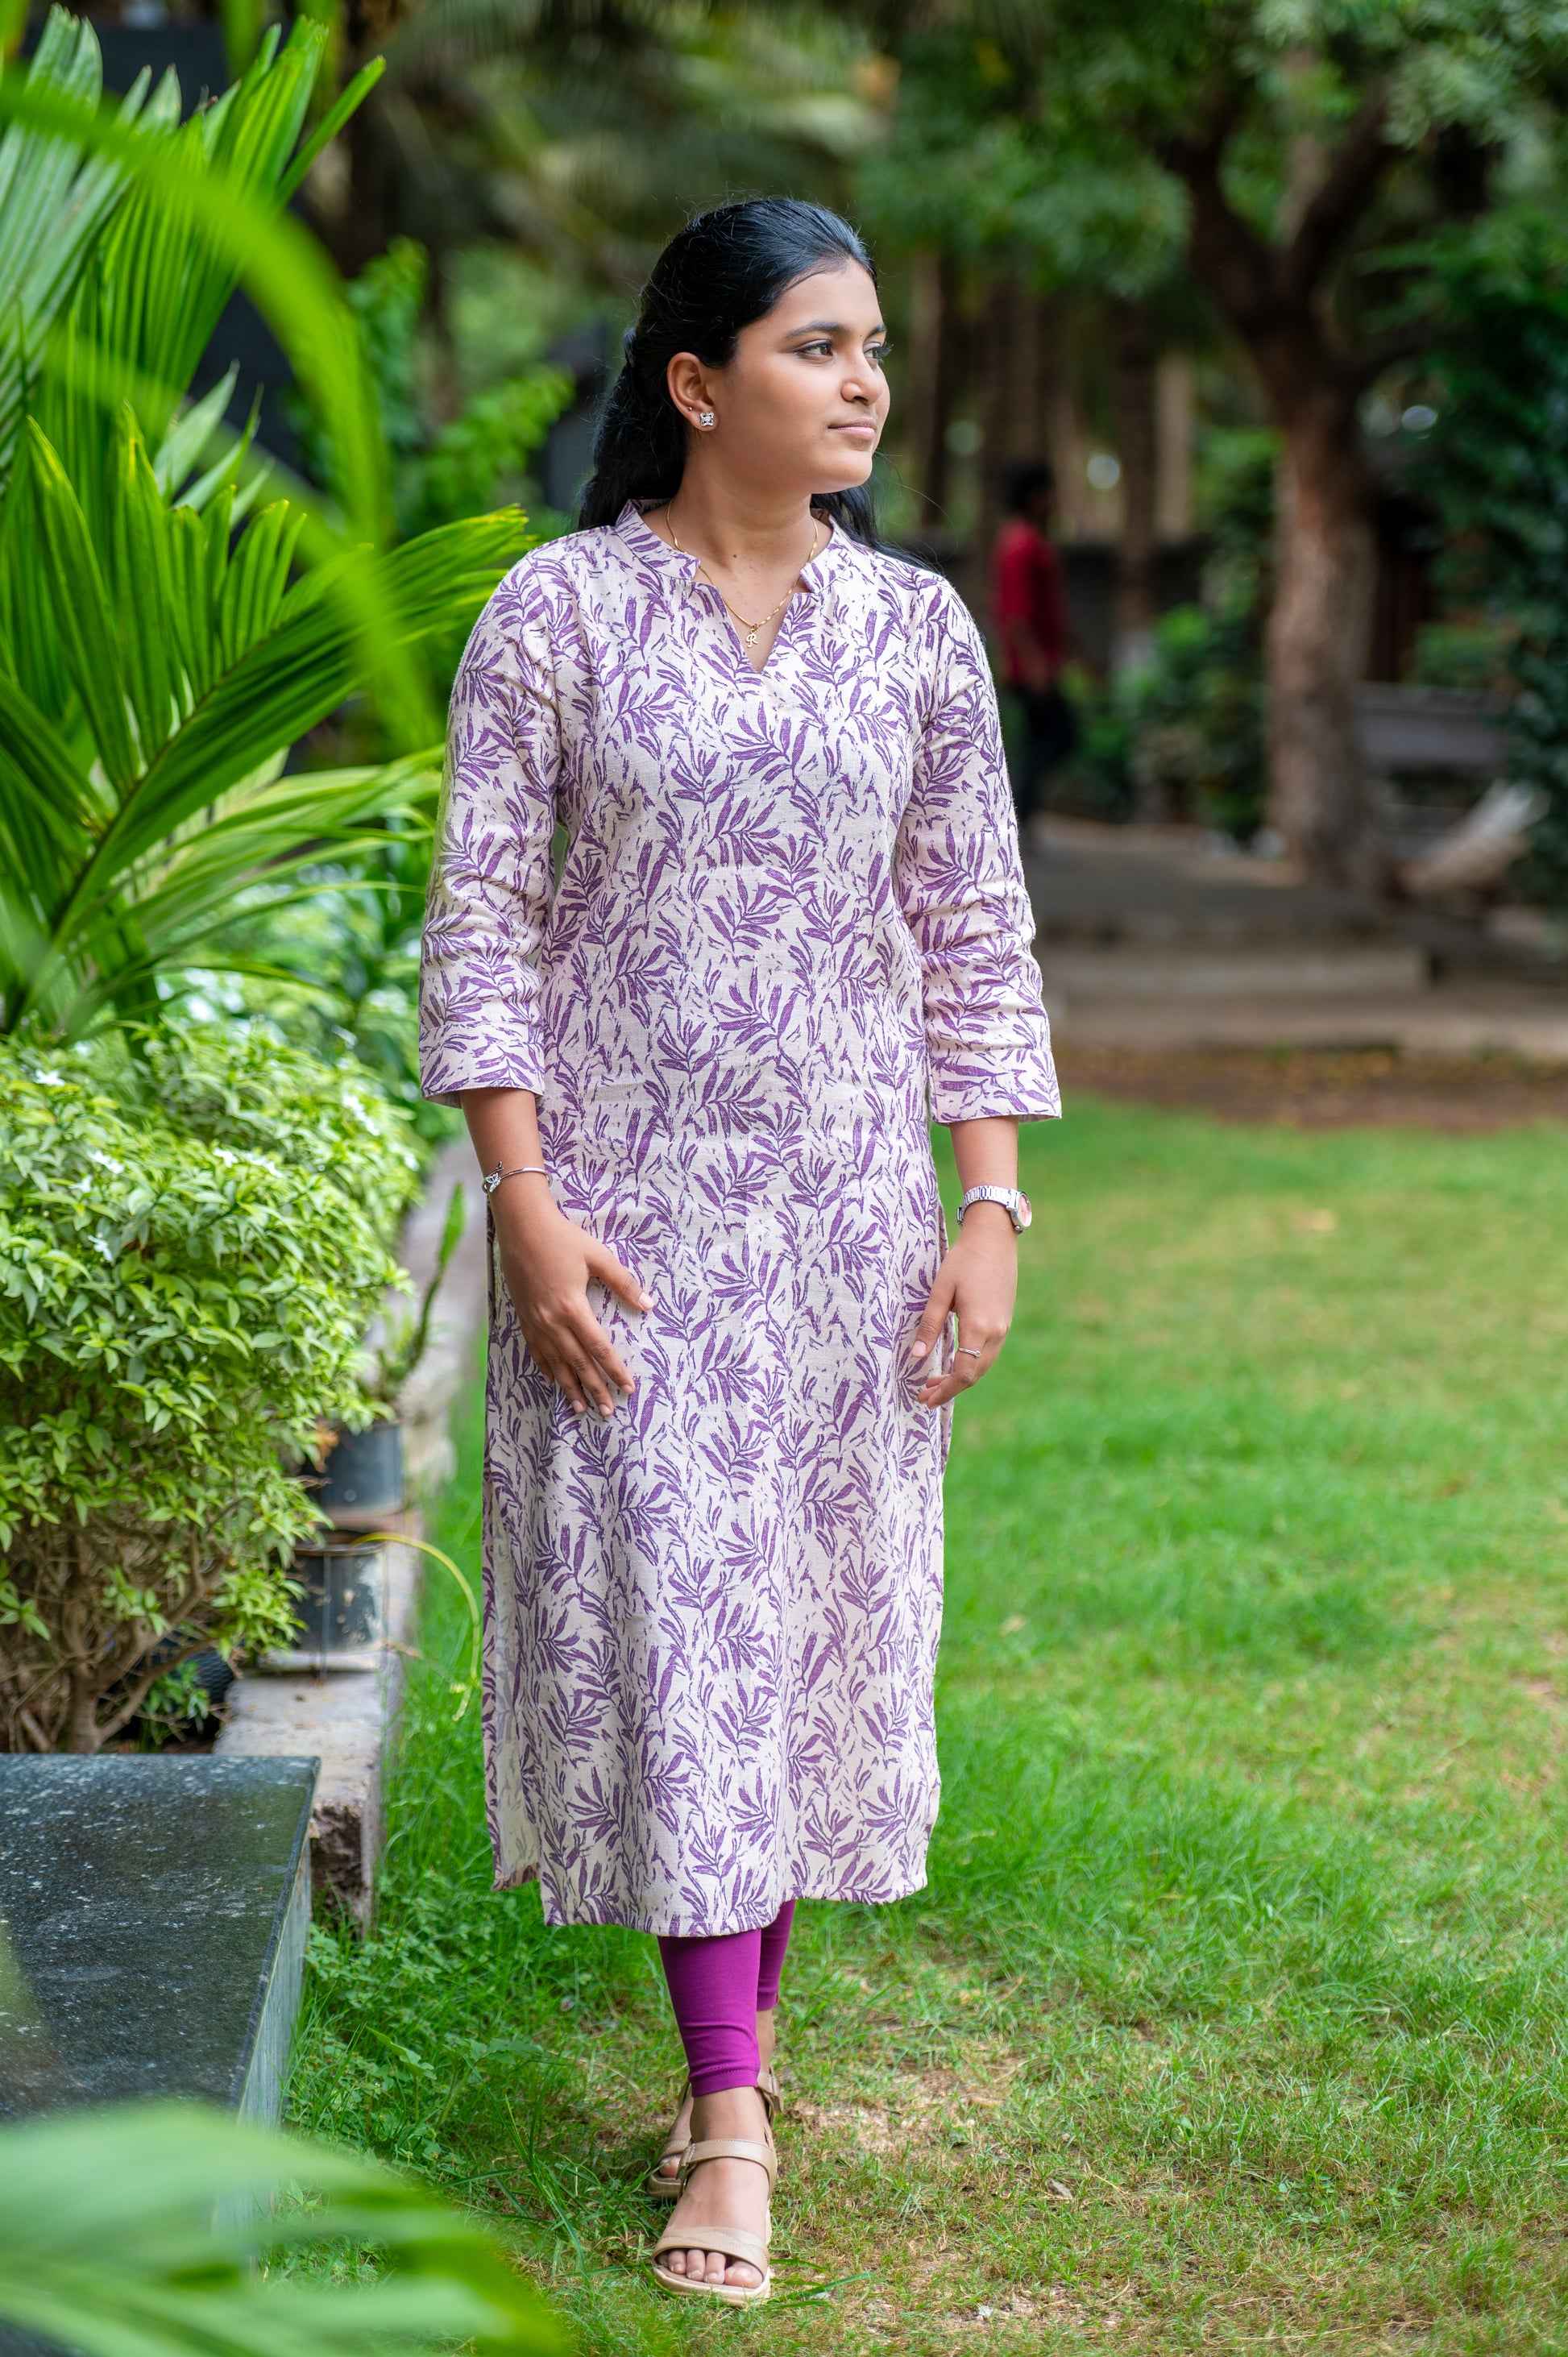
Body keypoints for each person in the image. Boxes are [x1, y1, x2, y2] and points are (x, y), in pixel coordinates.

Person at [418, 198, 1060, 2308]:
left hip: (854, 1225)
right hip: (624, 1231)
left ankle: (733, 2072)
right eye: (815, 345)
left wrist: (988, 1204)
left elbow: (972, 931)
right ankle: (729, 2102)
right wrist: (521, 1199)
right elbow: (483, 919)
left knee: (788, 1637)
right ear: (697, 382)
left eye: (871, 346)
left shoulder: (920, 633)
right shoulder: (555, 615)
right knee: (677, 1628)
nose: (863, 382)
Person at [991, 461, 1079, 844]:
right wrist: (1035, 665)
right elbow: (1017, 615)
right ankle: (1017, 819)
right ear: (1033, 497)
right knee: (1057, 737)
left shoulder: (1030, 541)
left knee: (1043, 741)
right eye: (1048, 493)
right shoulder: (1020, 544)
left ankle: (1021, 820)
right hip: (1029, 666)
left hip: (1039, 662)